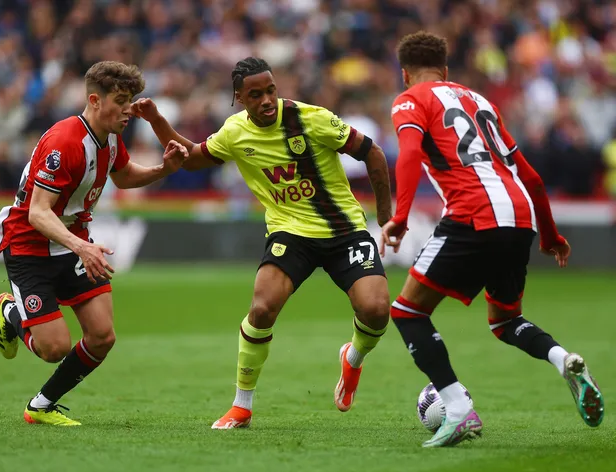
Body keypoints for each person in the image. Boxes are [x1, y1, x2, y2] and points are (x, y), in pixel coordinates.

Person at [131, 57, 393, 429]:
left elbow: (373, 153)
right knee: (262, 308)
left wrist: (385, 217)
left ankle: (353, 358)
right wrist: (156, 119)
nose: (267, 100)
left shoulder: (312, 119)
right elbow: (191, 159)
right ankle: (242, 406)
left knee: (376, 309)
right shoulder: (235, 132)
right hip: (290, 232)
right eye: (256, 95)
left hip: (344, 230)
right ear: (239, 98)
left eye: (271, 90)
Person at [380, 32, 604, 448]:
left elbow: (408, 154)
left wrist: (400, 216)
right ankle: (563, 360)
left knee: (408, 312)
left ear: (405, 73)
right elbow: (531, 176)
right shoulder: (481, 101)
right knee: (505, 321)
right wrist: (550, 234)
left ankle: (457, 409)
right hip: (519, 215)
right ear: (446, 69)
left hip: (472, 212)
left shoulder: (410, 99)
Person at [0, 61, 188, 426]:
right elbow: (38, 212)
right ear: (95, 101)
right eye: (121, 100)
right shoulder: (65, 141)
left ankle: (41, 405)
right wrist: (81, 246)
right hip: (30, 245)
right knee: (54, 349)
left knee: (102, 336)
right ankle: (10, 312)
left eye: (131, 100)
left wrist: (164, 169)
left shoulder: (110, 136)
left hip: (73, 240)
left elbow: (124, 176)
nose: (128, 110)